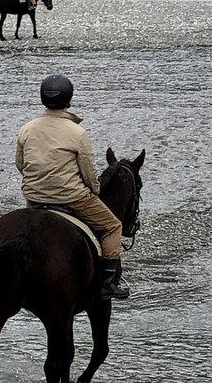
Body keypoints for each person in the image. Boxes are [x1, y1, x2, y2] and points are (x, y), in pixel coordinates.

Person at [15, 74, 129, 301]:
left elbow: (20, 164)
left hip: (33, 197)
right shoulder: (77, 133)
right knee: (113, 226)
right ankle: (108, 282)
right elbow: (88, 172)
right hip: (72, 198)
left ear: (42, 100)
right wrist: (95, 191)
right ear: (69, 101)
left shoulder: (26, 129)